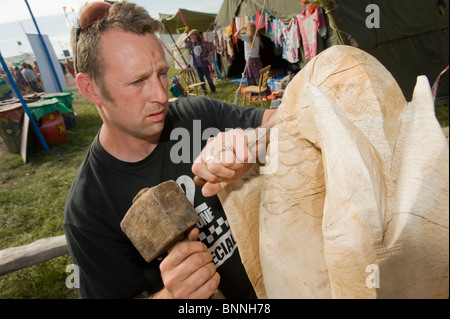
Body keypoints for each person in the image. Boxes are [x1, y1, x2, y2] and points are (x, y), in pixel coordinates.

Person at [64, 1, 276, 299]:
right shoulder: (88, 211)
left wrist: (251, 141)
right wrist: (172, 296)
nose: (161, 95)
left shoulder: (197, 116)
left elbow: (287, 119)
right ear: (90, 89)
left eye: (162, 74)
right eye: (138, 81)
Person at [185, 29, 216, 95]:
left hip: (204, 64)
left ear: (196, 35)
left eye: (192, 35)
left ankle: (213, 90)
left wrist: (208, 57)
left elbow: (212, 48)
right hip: (197, 64)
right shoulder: (191, 43)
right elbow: (184, 41)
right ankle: (205, 92)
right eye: (190, 35)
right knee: (201, 79)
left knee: (208, 78)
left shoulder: (203, 43)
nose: (191, 37)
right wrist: (188, 34)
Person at [234, 22, 264, 86]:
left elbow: (235, 35)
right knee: (258, 75)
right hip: (257, 58)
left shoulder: (248, 37)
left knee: (252, 76)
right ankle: (261, 88)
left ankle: (254, 91)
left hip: (250, 59)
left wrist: (241, 28)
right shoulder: (257, 37)